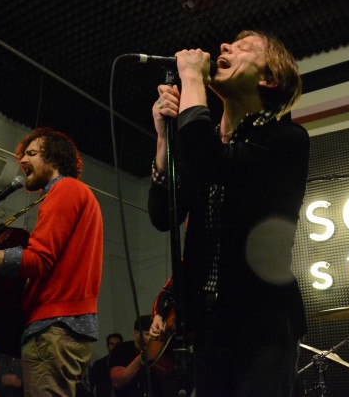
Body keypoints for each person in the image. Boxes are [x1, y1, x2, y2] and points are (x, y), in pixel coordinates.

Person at [148, 30, 309, 397]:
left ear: (269, 78)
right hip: (208, 327)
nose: (224, 46)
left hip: (263, 325)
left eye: (244, 48)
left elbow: (213, 161)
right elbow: (163, 216)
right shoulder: (204, 145)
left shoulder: (287, 140)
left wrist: (192, 78)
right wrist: (163, 140)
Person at [0, 128, 104, 396]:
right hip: (68, 325)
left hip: (53, 325)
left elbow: (37, 260)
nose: (22, 160)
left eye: (32, 153)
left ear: (55, 158)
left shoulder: (64, 189)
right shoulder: (75, 194)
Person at [109, 316, 173, 397]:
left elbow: (169, 375)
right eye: (148, 334)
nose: (153, 339)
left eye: (156, 335)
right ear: (136, 333)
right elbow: (117, 381)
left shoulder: (162, 349)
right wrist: (140, 359)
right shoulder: (121, 349)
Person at [89, 333, 123, 397]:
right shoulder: (99, 365)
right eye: (112, 344)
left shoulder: (126, 364)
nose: (115, 346)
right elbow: (89, 386)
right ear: (107, 346)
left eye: (118, 344)